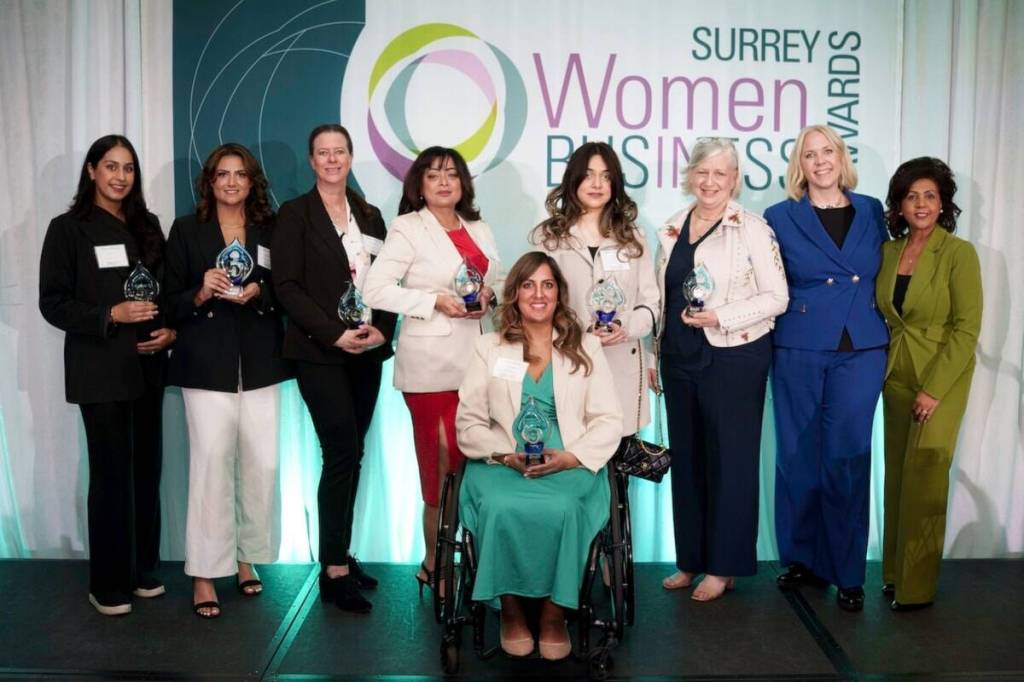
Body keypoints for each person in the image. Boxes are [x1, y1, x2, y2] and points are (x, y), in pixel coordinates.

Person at [455, 252, 622, 660]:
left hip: (570, 454)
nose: (538, 294)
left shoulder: (585, 346)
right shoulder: (489, 347)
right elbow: (469, 422)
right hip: (501, 457)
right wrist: (504, 455)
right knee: (498, 505)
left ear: (559, 294)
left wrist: (572, 457)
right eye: (528, 285)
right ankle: (510, 610)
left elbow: (608, 419)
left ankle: (553, 614)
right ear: (515, 293)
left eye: (547, 285)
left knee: (564, 507)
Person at [39, 134, 176, 616]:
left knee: (146, 471)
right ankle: (107, 582)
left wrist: (169, 331)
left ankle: (140, 570)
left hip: (148, 365)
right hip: (99, 369)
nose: (121, 177)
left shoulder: (148, 225)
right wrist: (110, 314)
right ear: (92, 170)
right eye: (112, 166)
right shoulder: (67, 229)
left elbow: (164, 290)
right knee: (111, 475)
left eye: (129, 168)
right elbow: (52, 303)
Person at [655, 138, 788, 601]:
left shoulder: (752, 228)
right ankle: (691, 559)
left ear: (734, 180)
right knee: (688, 459)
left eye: (720, 174)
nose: (710, 182)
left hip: (735, 355)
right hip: (679, 356)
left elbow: (778, 297)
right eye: (702, 172)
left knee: (731, 461)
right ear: (690, 175)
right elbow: (660, 298)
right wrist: (653, 355)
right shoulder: (671, 227)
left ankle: (724, 566)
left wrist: (720, 316)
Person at [164, 143, 293, 618]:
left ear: (252, 182)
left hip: (261, 363)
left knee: (261, 465)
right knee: (211, 464)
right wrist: (200, 292)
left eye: (241, 174)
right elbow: (168, 299)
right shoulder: (186, 230)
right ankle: (204, 572)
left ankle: (246, 558)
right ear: (210, 181)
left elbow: (287, 290)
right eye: (223, 174)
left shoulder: (270, 229)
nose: (232, 182)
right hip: (206, 364)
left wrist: (261, 291)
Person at [363, 147, 501, 592]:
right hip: (430, 369)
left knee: (473, 465)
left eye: (452, 175)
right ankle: (435, 562)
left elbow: (497, 281)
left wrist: (490, 296)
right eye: (434, 175)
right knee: (441, 469)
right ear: (418, 185)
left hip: (478, 365)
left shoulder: (479, 226)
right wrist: (433, 301)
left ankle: (472, 558)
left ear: (464, 184)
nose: (444, 183)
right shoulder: (408, 227)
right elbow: (374, 289)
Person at [764, 124, 890, 612]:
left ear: (841, 157)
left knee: (847, 458)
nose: (820, 161)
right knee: (797, 455)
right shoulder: (780, 215)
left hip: (861, 347)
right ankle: (803, 558)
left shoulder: (872, 210)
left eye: (827, 151)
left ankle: (848, 571)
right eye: (809, 154)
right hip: (799, 344)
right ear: (799, 165)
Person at [272, 124, 397, 613]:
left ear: (350, 156)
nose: (331, 159)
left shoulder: (370, 214)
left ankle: (341, 552)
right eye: (322, 152)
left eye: (339, 151)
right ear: (311, 160)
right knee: (340, 452)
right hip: (319, 351)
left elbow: (388, 278)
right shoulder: (294, 214)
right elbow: (286, 286)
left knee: (354, 453)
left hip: (365, 350)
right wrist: (332, 333)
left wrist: (382, 330)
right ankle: (333, 570)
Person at [876, 157, 982, 611]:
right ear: (899, 205)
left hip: (941, 378)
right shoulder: (888, 252)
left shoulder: (959, 253)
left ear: (943, 204)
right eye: (911, 196)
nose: (920, 204)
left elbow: (967, 329)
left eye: (930, 196)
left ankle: (916, 588)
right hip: (895, 374)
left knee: (925, 477)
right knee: (897, 476)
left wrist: (933, 389)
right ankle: (893, 574)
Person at [530, 141, 659, 443]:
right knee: (573, 451)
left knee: (619, 452)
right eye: (588, 175)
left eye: (606, 176)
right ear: (573, 179)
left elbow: (651, 303)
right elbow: (537, 303)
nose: (597, 184)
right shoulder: (549, 237)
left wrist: (625, 326)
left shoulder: (633, 236)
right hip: (568, 359)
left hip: (622, 361)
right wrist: (576, 331)